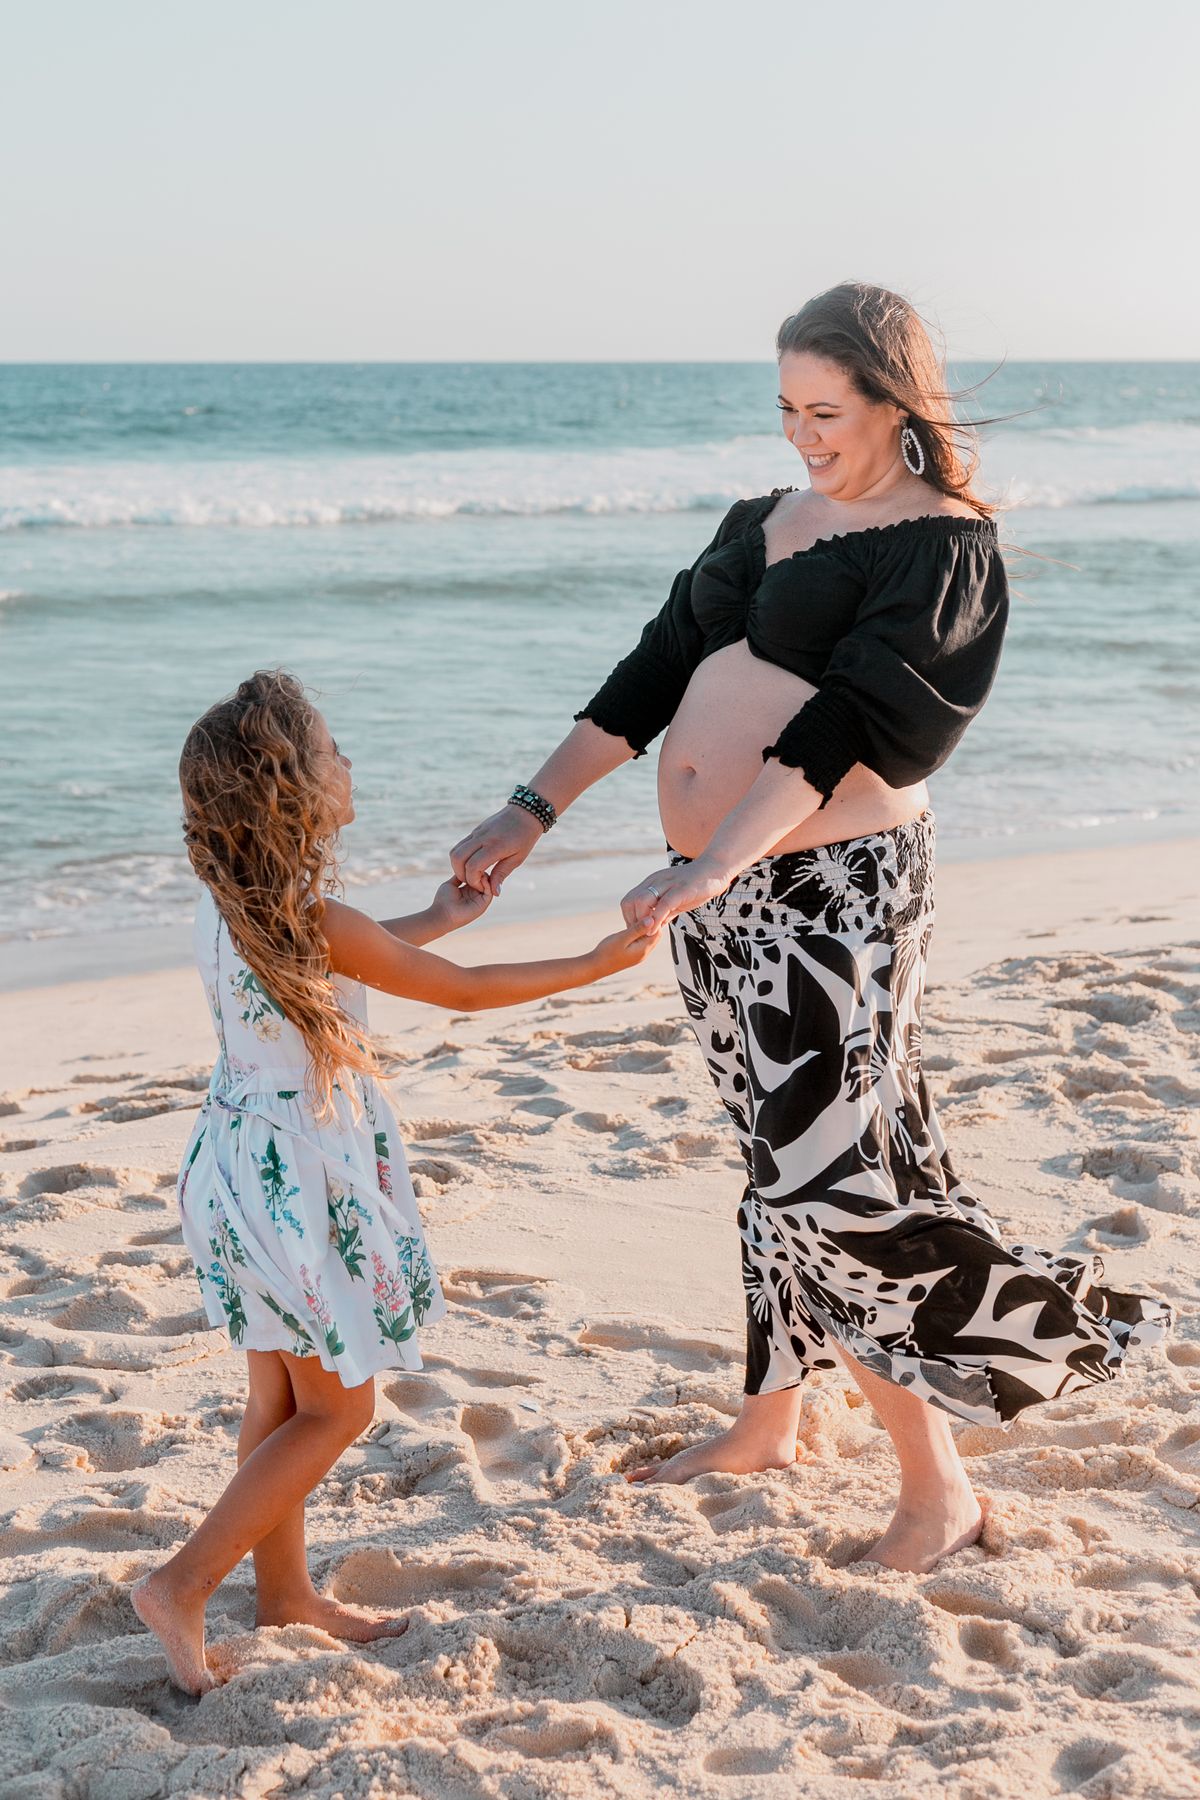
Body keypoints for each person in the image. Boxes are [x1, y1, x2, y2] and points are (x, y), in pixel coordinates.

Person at [450, 283, 1169, 1574]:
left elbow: (854, 724)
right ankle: (771, 1420)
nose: (801, 434)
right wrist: (527, 813)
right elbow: (652, 671)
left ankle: (938, 1485)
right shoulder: (758, 520)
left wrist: (720, 859)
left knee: (826, 1169)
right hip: (714, 886)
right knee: (773, 1149)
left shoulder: (941, 544)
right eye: (785, 407)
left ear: (899, 403)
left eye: (826, 411)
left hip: (833, 889)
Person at [132, 669, 659, 1693]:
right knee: (340, 1412)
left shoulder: (240, 906)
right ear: (289, 791)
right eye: (330, 751)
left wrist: (429, 917)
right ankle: (183, 1582)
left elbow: (348, 963)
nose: (347, 761)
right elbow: (456, 995)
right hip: (304, 1180)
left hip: (238, 1167)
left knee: (281, 1393)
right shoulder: (314, 918)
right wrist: (595, 963)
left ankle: (285, 1596)